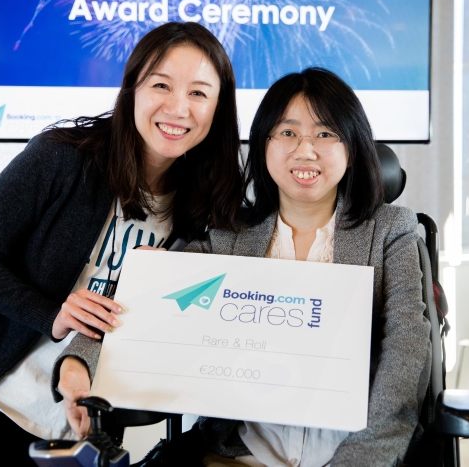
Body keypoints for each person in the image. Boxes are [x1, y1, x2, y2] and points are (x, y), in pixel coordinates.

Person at [55, 68, 432, 467]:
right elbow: (137, 303)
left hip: (352, 453)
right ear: (263, 145)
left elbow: (406, 349)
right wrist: (79, 361)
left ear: (352, 148)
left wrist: (361, 460)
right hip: (242, 454)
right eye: (287, 132)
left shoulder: (390, 231)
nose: (305, 150)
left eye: (325, 133)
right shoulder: (230, 235)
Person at [0, 22, 244, 467]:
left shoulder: (206, 205)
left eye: (198, 93)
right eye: (161, 85)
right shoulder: (61, 157)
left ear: (218, 107)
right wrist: (52, 314)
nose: (178, 108)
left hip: (86, 425)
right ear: (132, 89)